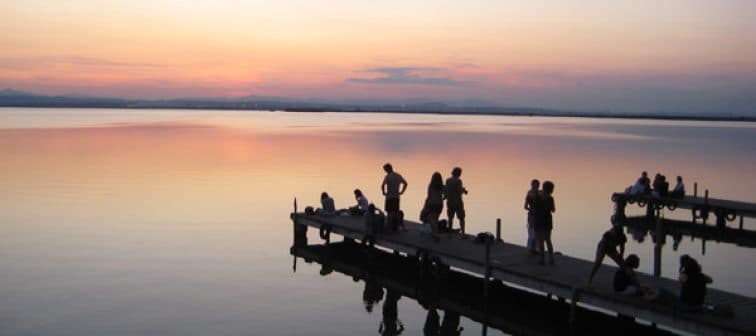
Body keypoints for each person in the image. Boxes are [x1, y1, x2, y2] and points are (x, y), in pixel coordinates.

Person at [534, 181, 555, 265]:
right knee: (548, 240)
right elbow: (553, 210)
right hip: (547, 220)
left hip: (539, 220)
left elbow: (534, 207)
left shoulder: (538, 197)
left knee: (540, 241)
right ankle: (551, 258)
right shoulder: (550, 198)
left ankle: (541, 259)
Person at [381, 163, 408, 232]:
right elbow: (405, 183)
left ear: (388, 169)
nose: (385, 171)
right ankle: (397, 227)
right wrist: (402, 192)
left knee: (390, 212)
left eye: (385, 170)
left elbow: (382, 185)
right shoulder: (398, 175)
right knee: (396, 212)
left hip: (389, 197)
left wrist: (384, 192)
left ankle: (389, 228)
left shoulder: (388, 176)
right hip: (397, 197)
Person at [420, 172, 445, 242]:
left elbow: (428, 196)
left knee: (431, 219)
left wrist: (425, 205)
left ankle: (435, 234)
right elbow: (446, 194)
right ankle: (434, 233)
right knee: (435, 219)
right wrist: (442, 198)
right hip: (440, 204)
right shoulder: (442, 186)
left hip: (432, 204)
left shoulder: (431, 186)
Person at [445, 167, 468, 235]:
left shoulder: (448, 180)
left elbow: (446, 190)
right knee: (461, 218)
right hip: (457, 202)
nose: (460, 174)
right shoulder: (458, 181)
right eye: (460, 173)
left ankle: (449, 231)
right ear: (458, 173)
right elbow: (459, 191)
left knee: (450, 217)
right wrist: (464, 191)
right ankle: (463, 233)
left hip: (450, 201)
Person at [524, 179, 540, 254]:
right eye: (534, 185)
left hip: (539, 216)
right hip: (531, 216)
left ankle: (536, 249)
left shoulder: (540, 193)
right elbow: (525, 206)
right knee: (531, 233)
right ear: (532, 185)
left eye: (537, 185)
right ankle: (530, 248)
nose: (536, 187)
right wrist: (531, 209)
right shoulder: (529, 193)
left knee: (537, 233)